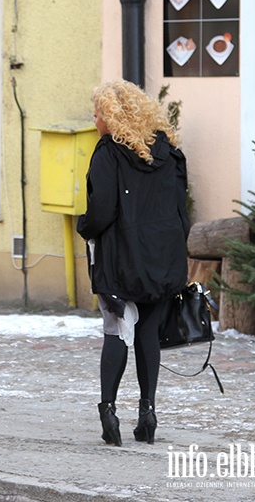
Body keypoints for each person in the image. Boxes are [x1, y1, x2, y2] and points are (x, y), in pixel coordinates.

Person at [76, 81, 189, 447]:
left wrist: (84, 226)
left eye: (98, 113)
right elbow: (180, 211)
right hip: (162, 257)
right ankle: (148, 414)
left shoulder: (108, 153)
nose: (94, 119)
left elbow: (102, 211)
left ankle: (109, 414)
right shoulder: (168, 151)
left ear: (112, 116)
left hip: (121, 259)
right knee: (148, 334)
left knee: (117, 332)